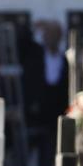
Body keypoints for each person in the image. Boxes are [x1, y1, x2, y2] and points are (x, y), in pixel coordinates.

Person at [21, 19, 71, 152]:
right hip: (37, 111)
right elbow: (20, 40)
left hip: (58, 109)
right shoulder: (34, 55)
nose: (51, 38)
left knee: (56, 145)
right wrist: (32, 27)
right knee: (37, 149)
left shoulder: (64, 59)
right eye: (48, 34)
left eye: (55, 35)